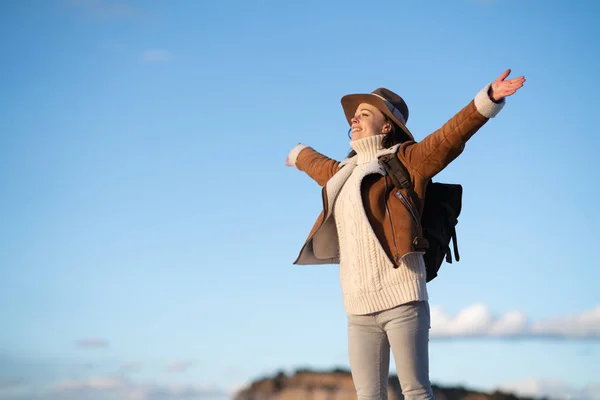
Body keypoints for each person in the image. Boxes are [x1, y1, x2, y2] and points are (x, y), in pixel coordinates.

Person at [285, 69, 525, 400]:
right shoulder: (343, 172)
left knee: (414, 392)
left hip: (402, 299)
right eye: (353, 117)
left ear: (387, 125)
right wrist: (298, 154)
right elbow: (317, 165)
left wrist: (486, 100)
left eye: (364, 114)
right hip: (358, 307)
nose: (354, 120)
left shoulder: (407, 161)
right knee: (368, 396)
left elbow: (448, 138)